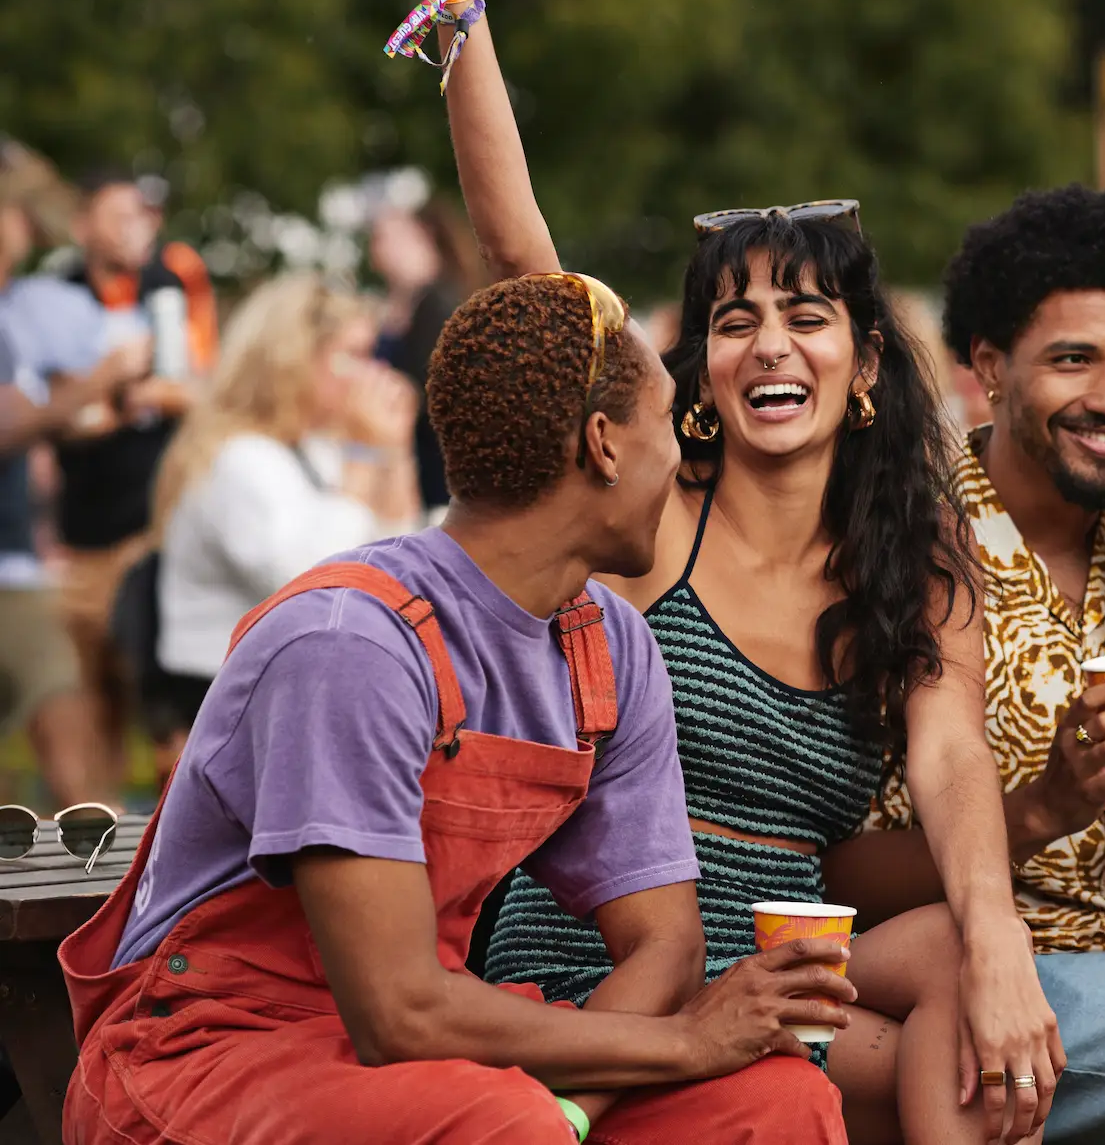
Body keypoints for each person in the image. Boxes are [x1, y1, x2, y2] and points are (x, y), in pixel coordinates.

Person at [364, 0, 1063, 1141]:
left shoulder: (911, 559)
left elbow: (952, 757)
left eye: (806, 316)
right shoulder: (655, 521)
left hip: (787, 948)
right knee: (921, 1065)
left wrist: (999, 931)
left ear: (863, 364)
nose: (770, 343)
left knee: (967, 982)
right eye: (734, 320)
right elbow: (523, 261)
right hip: (615, 952)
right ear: (698, 372)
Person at [60, 268, 858, 1143]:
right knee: (500, 1120)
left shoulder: (612, 647)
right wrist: (676, 1049)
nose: (683, 455)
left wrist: (574, 1112)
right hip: (212, 1048)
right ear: (603, 444)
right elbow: (396, 1014)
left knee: (779, 1101)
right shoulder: (351, 646)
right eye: (668, 422)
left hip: (446, 1044)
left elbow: (668, 947)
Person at [828, 184, 1105, 1145]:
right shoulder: (897, 547)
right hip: (958, 969)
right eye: (1072, 360)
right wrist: (1043, 807)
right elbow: (836, 875)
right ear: (990, 367)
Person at [149, 273, 421, 752]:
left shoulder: (318, 447)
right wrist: (364, 457)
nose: (370, 374)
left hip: (290, 687)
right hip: (225, 705)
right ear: (293, 358)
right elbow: (312, 584)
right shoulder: (235, 457)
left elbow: (398, 552)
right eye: (353, 356)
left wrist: (394, 454)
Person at [53, 170, 217, 797]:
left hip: (154, 532)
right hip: (80, 537)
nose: (136, 227)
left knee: (164, 707)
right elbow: (48, 413)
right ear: (83, 224)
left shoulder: (171, 284)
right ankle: (91, 875)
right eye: (119, 214)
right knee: (90, 714)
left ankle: (167, 867)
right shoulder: (58, 295)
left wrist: (150, 393)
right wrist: (113, 397)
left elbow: (205, 389)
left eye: (143, 215)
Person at [0, 145, 150, 808]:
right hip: (25, 575)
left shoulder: (24, 308)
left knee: (77, 773)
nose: (25, 230)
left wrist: (101, 406)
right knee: (75, 774)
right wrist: (104, 379)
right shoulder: (30, 302)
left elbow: (48, 414)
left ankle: (97, 905)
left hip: (25, 568)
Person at [369, 197, 482, 515]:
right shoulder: (405, 306)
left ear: (424, 238)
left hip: (433, 465)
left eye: (389, 238)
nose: (379, 251)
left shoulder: (438, 304)